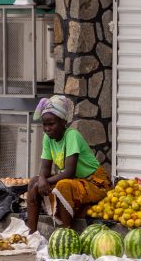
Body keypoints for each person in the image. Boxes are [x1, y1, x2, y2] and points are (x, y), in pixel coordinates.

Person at [25, 95, 111, 234]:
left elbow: (69, 173)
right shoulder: (48, 138)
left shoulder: (72, 136)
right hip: (76, 181)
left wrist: (43, 181)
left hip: (96, 182)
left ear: (63, 122)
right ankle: (32, 233)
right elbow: (45, 168)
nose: (47, 128)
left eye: (51, 124)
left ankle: (66, 233)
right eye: (44, 124)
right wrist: (40, 180)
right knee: (33, 182)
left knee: (63, 185)